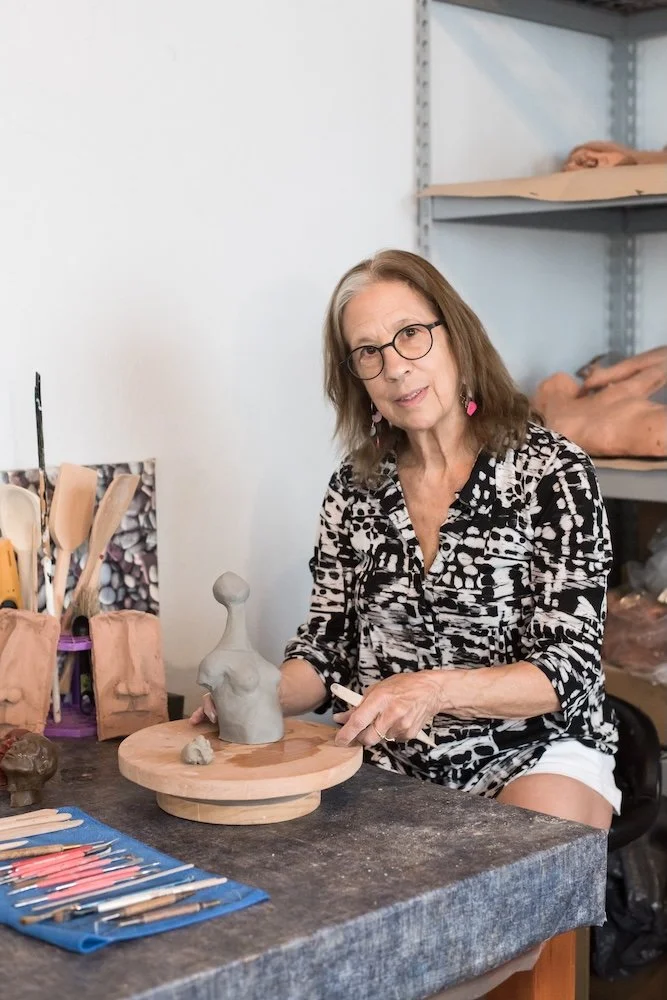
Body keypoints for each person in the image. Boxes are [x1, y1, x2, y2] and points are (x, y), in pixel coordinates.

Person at [192, 249, 620, 830]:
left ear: (457, 339)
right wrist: (257, 692)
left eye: (411, 334)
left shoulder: (551, 473)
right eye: (369, 352)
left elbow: (567, 668)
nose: (394, 366)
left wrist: (434, 690)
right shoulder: (355, 487)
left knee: (518, 854)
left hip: (533, 751)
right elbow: (328, 649)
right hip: (390, 760)